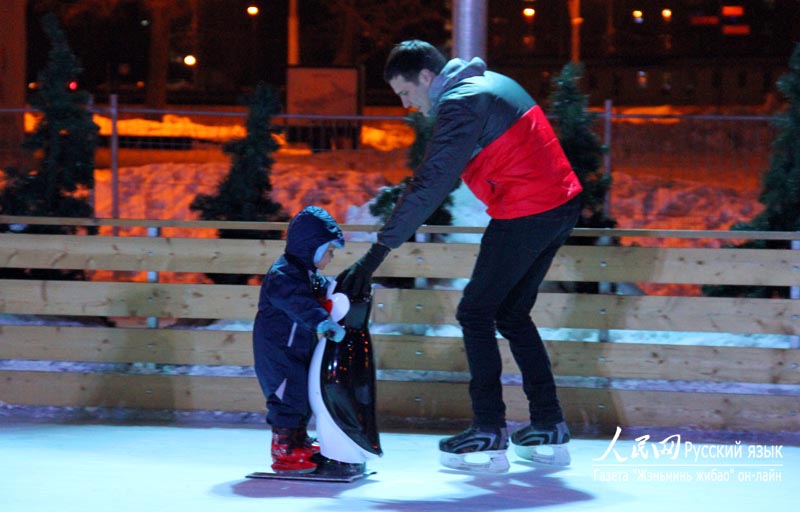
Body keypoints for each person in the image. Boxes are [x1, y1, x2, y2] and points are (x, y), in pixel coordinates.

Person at [336, 40, 583, 472]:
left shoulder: (461, 103)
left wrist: (376, 254)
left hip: (529, 209)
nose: (408, 105)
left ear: (427, 79)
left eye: (406, 93)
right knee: (510, 313)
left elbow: (431, 182)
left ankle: (488, 431)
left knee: (475, 312)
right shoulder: (488, 84)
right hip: (557, 204)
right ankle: (548, 424)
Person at [253, 205, 346, 474]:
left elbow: (316, 293)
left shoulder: (303, 273)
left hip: (296, 350)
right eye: (328, 251)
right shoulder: (283, 275)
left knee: (302, 396)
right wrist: (322, 321)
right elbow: (297, 303)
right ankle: (285, 449)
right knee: (287, 399)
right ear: (312, 247)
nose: (330, 257)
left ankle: (298, 440)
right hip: (278, 353)